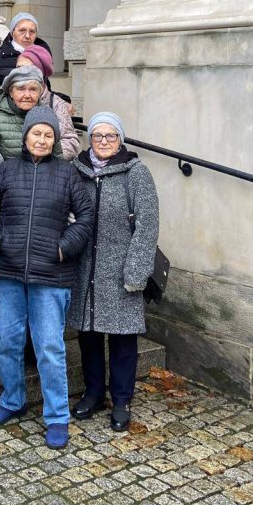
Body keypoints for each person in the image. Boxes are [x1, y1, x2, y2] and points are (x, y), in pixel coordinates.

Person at [0, 107, 94, 450]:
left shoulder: (67, 173)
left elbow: (86, 217)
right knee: (7, 340)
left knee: (49, 347)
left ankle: (57, 415)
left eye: (48, 134)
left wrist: (63, 248)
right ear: (25, 135)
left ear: (55, 139)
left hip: (51, 275)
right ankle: (13, 399)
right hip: (7, 271)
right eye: (36, 133)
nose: (41, 140)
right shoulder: (6, 170)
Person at [69, 112, 159, 433]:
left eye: (111, 135)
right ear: (89, 138)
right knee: (89, 335)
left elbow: (147, 226)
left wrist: (136, 271)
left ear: (120, 139)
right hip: (85, 269)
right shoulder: (77, 170)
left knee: (123, 339)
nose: (104, 141)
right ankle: (93, 393)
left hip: (121, 271)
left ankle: (121, 400)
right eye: (97, 135)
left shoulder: (136, 173)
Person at [0, 65, 62, 176]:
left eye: (33, 89)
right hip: (7, 179)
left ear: (40, 92)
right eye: (21, 89)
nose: (27, 95)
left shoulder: (47, 115)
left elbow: (58, 159)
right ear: (11, 92)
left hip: (43, 178)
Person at [0, 12, 51, 112]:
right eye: (22, 31)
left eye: (32, 32)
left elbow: (46, 92)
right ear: (12, 32)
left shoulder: (41, 58)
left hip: (34, 115)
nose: (27, 36)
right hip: (1, 115)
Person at [15, 47, 80, 160]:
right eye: (18, 68)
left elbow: (71, 143)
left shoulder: (56, 104)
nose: (22, 73)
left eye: (29, 68)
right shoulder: (1, 99)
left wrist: (43, 155)